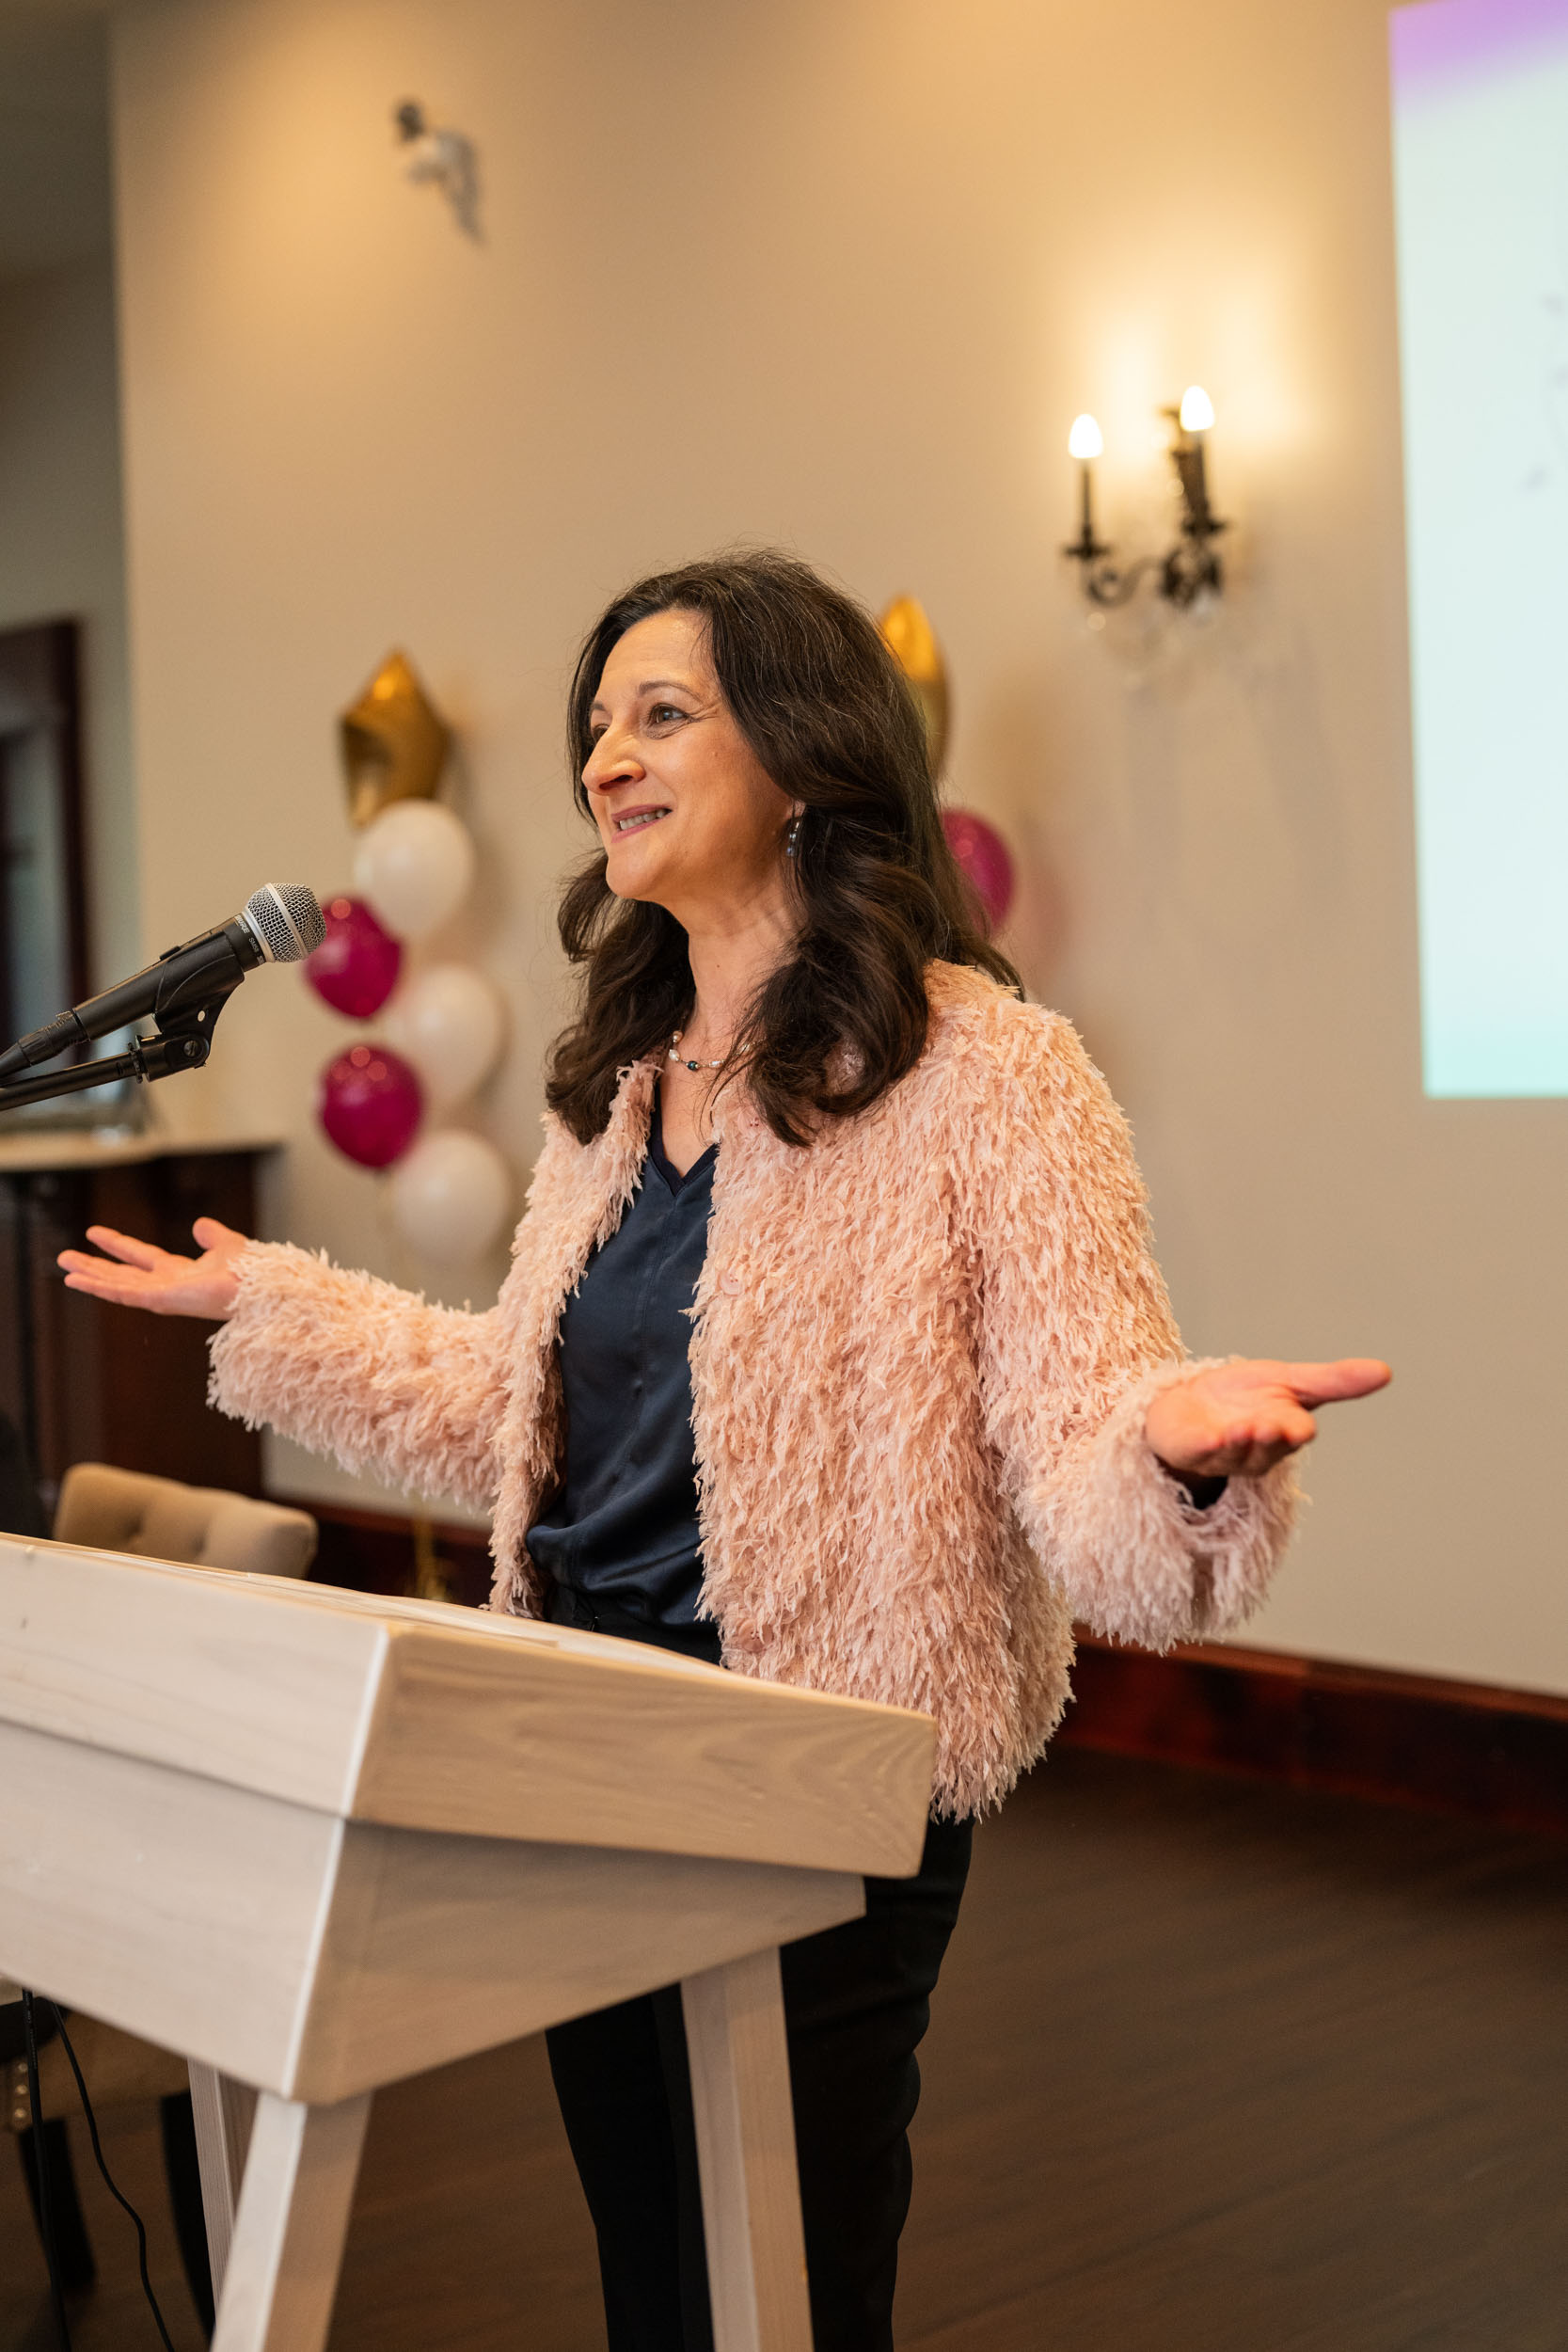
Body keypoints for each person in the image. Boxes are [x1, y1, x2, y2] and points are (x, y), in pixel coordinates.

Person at [60, 550, 1389, 2352]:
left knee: (790, 2280)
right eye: (598, 724)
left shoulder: (989, 1073)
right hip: (570, 1753)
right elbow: (519, 1415)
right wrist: (272, 1309)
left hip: (812, 1768)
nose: (605, 757)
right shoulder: (621, 1090)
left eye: (663, 714)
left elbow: (1083, 1427)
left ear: (804, 755)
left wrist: (1174, 1451)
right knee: (655, 2268)